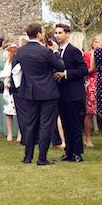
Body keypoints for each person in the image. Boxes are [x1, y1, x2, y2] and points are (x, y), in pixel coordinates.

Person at [14, 23, 65, 165]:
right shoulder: (46, 52)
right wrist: (55, 52)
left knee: (30, 124)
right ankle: (42, 158)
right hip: (47, 91)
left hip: (30, 91)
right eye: (42, 32)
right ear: (37, 34)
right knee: (45, 125)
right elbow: (60, 66)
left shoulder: (21, 52)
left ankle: (27, 157)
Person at [53, 23, 88, 162]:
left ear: (67, 34)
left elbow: (83, 70)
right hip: (61, 93)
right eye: (56, 33)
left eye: (60, 33)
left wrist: (65, 73)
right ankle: (68, 151)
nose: (57, 36)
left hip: (73, 93)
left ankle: (77, 153)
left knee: (74, 124)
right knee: (65, 123)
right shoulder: (56, 52)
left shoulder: (73, 51)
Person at [82, 35, 101, 147]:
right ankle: (88, 138)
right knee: (89, 112)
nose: (98, 44)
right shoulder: (87, 54)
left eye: (100, 42)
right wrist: (94, 66)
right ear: (92, 43)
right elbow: (85, 71)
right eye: (96, 42)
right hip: (91, 83)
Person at [0, 44, 20, 141]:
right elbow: (3, 74)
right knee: (8, 112)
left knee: (19, 112)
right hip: (7, 90)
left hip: (15, 88)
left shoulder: (18, 62)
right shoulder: (8, 62)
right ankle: (9, 133)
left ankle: (20, 134)